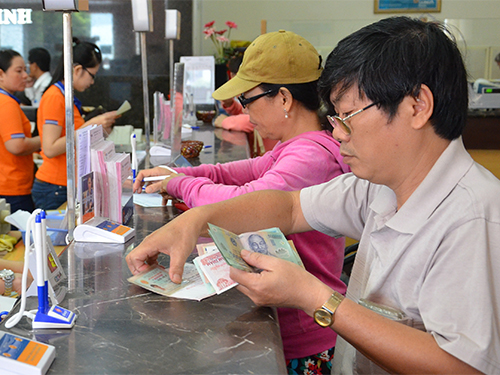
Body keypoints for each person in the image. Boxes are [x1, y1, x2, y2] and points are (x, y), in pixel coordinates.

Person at [126, 17, 500, 374]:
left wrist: (314, 297)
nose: (337, 134)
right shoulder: (380, 186)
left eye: (348, 116)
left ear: (417, 106)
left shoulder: (472, 216)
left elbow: (460, 365)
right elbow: (287, 206)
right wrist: (197, 220)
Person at [132, 30, 351, 373]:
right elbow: (243, 170)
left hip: (302, 334)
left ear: (283, 98)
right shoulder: (296, 145)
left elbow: (247, 199)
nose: (247, 115)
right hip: (290, 322)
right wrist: (181, 175)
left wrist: (183, 186)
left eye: (248, 101)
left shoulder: (311, 156)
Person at [32, 40, 118, 210]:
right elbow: (50, 148)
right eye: (92, 75)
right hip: (55, 186)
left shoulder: (66, 97)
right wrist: (90, 126)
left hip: (66, 183)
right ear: (78, 70)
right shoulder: (54, 97)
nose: (92, 82)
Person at [214, 52, 278, 157]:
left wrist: (225, 121)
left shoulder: (265, 92)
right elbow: (250, 111)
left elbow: (253, 119)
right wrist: (231, 105)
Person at [0, 49, 41, 213]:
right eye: (19, 71)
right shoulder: (6, 103)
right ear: (1, 74)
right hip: (12, 188)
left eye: (25, 69)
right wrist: (47, 139)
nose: (25, 75)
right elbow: (16, 145)